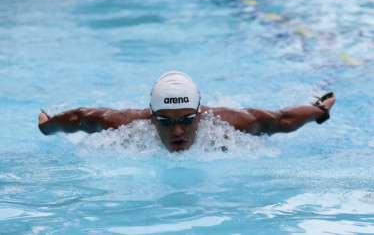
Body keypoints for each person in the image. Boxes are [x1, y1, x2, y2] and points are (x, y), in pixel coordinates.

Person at [38, 71, 335, 152]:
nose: (178, 131)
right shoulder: (124, 124)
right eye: (166, 122)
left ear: (200, 113)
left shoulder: (228, 123)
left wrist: (319, 109)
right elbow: (79, 118)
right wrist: (48, 126)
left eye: (188, 120)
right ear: (151, 116)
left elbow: (282, 119)